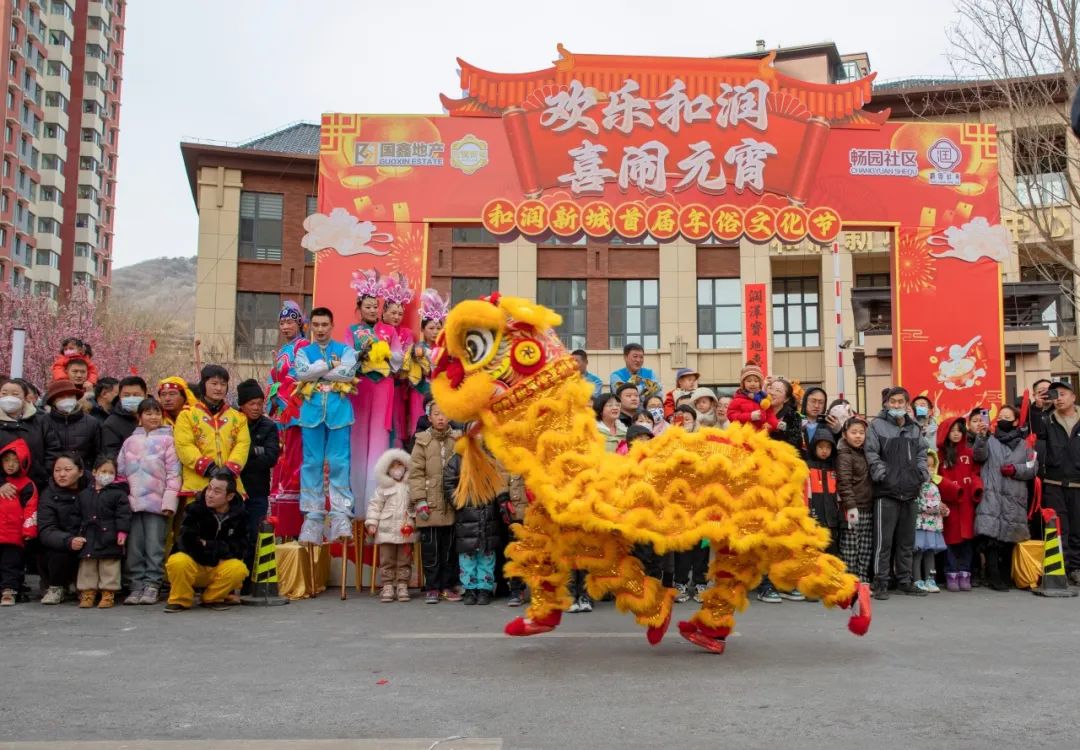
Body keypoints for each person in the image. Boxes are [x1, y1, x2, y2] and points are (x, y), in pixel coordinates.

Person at [293, 308, 358, 545]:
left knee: (340, 462)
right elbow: (301, 374)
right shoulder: (303, 352)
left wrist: (317, 373)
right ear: (310, 326)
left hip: (339, 412)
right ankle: (312, 517)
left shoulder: (346, 350)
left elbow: (348, 372)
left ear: (332, 326)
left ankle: (341, 515)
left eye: (325, 325)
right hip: (311, 414)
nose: (320, 329)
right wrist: (327, 367)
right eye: (316, 325)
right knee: (312, 463)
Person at [865, 386, 929, 600]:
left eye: (900, 402)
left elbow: (922, 452)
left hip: (910, 491)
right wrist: (883, 475)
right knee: (884, 541)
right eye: (893, 402)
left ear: (907, 404)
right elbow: (872, 454)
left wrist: (921, 474)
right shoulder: (876, 426)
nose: (897, 405)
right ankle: (880, 581)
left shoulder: (914, 428)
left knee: (906, 541)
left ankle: (904, 580)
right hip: (887, 492)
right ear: (886, 404)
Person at [116, 398, 180, 606]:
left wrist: (169, 502)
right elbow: (121, 473)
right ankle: (135, 585)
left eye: (156, 413)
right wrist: (122, 501)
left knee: (155, 545)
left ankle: (153, 583)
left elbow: (174, 474)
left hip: (157, 503)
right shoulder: (129, 442)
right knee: (134, 547)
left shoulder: (168, 441)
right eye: (148, 413)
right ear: (139, 416)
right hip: (132, 503)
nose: (153, 417)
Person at [163, 469, 249, 612]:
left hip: (217, 568)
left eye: (217, 491)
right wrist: (217, 553)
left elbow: (239, 547)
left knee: (238, 568)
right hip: (194, 565)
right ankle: (180, 599)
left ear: (230, 496)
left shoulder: (240, 515)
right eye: (209, 488)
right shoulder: (194, 509)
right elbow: (186, 542)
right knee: (177, 561)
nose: (210, 494)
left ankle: (212, 598)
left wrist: (207, 544)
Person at [349, 270, 399, 508]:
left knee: (380, 437)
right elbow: (347, 359)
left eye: (375, 306)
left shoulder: (389, 332)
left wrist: (387, 353)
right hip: (360, 387)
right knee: (357, 439)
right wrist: (361, 353)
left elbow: (399, 359)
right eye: (367, 306)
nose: (371, 310)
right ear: (360, 307)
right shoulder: (352, 331)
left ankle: (377, 499)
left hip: (384, 386)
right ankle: (357, 501)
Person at [444, 438, 508, 606]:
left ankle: (484, 589)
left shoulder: (491, 457)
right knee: (467, 555)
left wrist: (499, 502)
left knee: (487, 554)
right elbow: (448, 483)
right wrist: (459, 501)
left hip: (488, 513)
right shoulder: (458, 458)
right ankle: (470, 589)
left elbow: (499, 482)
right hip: (466, 514)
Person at [979, 404, 1037, 591]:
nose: (1003, 418)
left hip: (1014, 496)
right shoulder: (990, 439)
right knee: (992, 539)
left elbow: (1032, 468)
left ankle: (1006, 575)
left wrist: (1016, 470)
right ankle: (993, 575)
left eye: (1007, 416)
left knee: (1009, 539)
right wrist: (981, 436)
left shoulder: (1025, 444)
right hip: (992, 494)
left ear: (1015, 421)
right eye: (1000, 415)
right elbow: (978, 456)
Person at [410, 401, 461, 604]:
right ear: (429, 418)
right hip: (428, 505)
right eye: (436, 414)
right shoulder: (421, 441)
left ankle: (447, 586)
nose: (440, 418)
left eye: (444, 414)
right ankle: (432, 587)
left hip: (451, 503)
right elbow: (415, 474)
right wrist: (419, 500)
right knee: (431, 548)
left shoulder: (457, 439)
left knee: (449, 548)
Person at [173, 365, 250, 499]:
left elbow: (242, 444)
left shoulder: (238, 417)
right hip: (198, 487)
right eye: (214, 383)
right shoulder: (187, 415)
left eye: (223, 384)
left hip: (230, 488)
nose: (219, 388)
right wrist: (208, 467)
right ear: (203, 385)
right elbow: (184, 445)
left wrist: (229, 470)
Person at [265, 302, 308, 538]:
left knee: (294, 463)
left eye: (290, 322)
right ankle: (279, 522)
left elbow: (298, 377)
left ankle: (294, 526)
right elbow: (274, 379)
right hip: (282, 414)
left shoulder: (303, 346)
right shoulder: (282, 351)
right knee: (281, 463)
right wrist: (272, 389)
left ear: (299, 323)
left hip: (296, 413)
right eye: (282, 323)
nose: (285, 327)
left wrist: (280, 390)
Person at [1034, 381, 1080, 585]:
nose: (1059, 398)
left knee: (1078, 529)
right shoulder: (1046, 419)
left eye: (1063, 394)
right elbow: (1033, 434)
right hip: (1053, 482)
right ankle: (1060, 568)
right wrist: (1038, 408)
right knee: (1058, 528)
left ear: (1073, 397)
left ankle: (1076, 568)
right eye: (1056, 394)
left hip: (1078, 483)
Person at [71, 457, 130, 609]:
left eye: (111, 472)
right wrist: (75, 534)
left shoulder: (119, 494)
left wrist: (122, 532)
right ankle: (88, 592)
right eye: (104, 471)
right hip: (88, 535)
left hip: (110, 535)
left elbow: (123, 514)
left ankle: (108, 592)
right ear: (94, 472)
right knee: (87, 565)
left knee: (109, 565)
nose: (107, 475)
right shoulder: (83, 495)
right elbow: (76, 516)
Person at [236, 379, 279, 588]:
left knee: (254, 534)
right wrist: (254, 452)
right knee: (235, 533)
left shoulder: (269, 426)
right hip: (234, 489)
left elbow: (271, 458)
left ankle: (249, 581)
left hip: (257, 490)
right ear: (241, 404)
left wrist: (245, 456)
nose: (256, 408)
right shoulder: (233, 422)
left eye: (259, 403)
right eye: (251, 403)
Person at [937, 417, 984, 591]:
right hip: (949, 504)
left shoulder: (969, 453)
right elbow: (937, 478)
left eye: (959, 430)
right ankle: (951, 573)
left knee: (967, 540)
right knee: (949, 541)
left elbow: (975, 474)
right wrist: (949, 490)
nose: (956, 434)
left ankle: (965, 572)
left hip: (966, 504)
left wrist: (977, 487)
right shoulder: (940, 455)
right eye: (952, 430)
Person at [365, 448, 416, 603]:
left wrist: (415, 517)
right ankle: (387, 585)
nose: (397, 469)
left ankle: (402, 585)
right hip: (386, 530)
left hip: (405, 530)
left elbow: (415, 504)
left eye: (400, 465)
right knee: (387, 558)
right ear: (387, 469)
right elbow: (375, 506)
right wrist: (372, 522)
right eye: (393, 466)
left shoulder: (410, 486)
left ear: (406, 467)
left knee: (404, 559)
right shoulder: (382, 488)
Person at [36, 453, 86, 604]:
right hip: (64, 543)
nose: (62, 474)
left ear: (81, 471)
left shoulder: (93, 488)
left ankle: (86, 586)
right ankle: (55, 587)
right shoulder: (48, 494)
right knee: (56, 547)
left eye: (67, 469)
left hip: (87, 539)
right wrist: (68, 540)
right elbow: (46, 529)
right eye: (57, 470)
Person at [0, 377, 62, 494]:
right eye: (4, 393)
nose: (9, 397)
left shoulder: (40, 420)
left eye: (15, 394)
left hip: (37, 484)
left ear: (25, 397)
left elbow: (53, 449)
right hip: (5, 489)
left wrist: (45, 474)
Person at [407, 289, 449, 436]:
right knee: (419, 427)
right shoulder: (416, 348)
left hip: (440, 394)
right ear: (423, 329)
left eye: (438, 328)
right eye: (431, 328)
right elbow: (415, 374)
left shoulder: (446, 350)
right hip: (420, 393)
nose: (435, 332)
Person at [0, 439, 37, 606]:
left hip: (13, 534)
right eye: (6, 460)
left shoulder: (27, 484)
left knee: (12, 565)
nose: (10, 465)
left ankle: (10, 591)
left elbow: (31, 509)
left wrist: (29, 531)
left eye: (15, 461)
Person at [837, 416, 874, 583]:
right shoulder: (844, 454)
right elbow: (844, 482)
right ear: (845, 434)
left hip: (868, 506)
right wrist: (851, 506)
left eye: (861, 432)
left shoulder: (867, 453)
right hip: (852, 508)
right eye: (854, 432)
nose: (858, 436)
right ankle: (850, 581)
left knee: (865, 548)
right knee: (851, 547)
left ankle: (863, 580)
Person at [44, 379, 101, 471]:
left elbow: (98, 453)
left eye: (70, 396)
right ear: (53, 401)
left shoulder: (92, 422)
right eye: (61, 397)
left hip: (83, 476)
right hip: (51, 476)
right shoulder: (43, 422)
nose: (66, 399)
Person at [913, 451, 947, 593]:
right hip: (920, 525)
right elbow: (918, 504)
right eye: (926, 466)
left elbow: (939, 503)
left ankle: (930, 579)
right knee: (918, 553)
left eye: (932, 467)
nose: (930, 470)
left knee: (930, 553)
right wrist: (935, 507)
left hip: (933, 526)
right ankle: (917, 579)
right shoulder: (917, 485)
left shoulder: (935, 484)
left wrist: (944, 510)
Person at [806, 429, 841, 556]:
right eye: (821, 447)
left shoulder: (835, 467)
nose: (824, 451)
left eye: (828, 447)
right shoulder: (807, 467)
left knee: (832, 554)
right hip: (814, 520)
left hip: (832, 521)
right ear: (814, 447)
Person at [101, 376, 148, 458]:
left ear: (145, 395)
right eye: (126, 395)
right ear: (120, 396)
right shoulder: (111, 424)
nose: (131, 398)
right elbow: (112, 455)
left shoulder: (157, 415)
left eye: (136, 395)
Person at [728, 361, 778, 431]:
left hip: (761, 436)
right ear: (743, 383)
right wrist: (750, 416)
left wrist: (776, 425)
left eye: (756, 381)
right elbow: (731, 416)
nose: (753, 384)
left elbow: (770, 415)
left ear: (760, 384)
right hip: (743, 436)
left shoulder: (764, 399)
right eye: (749, 381)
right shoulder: (737, 399)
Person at [767, 378, 802, 450]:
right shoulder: (758, 410)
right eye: (771, 388)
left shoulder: (793, 416)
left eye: (778, 391)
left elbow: (796, 443)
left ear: (786, 399)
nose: (772, 392)